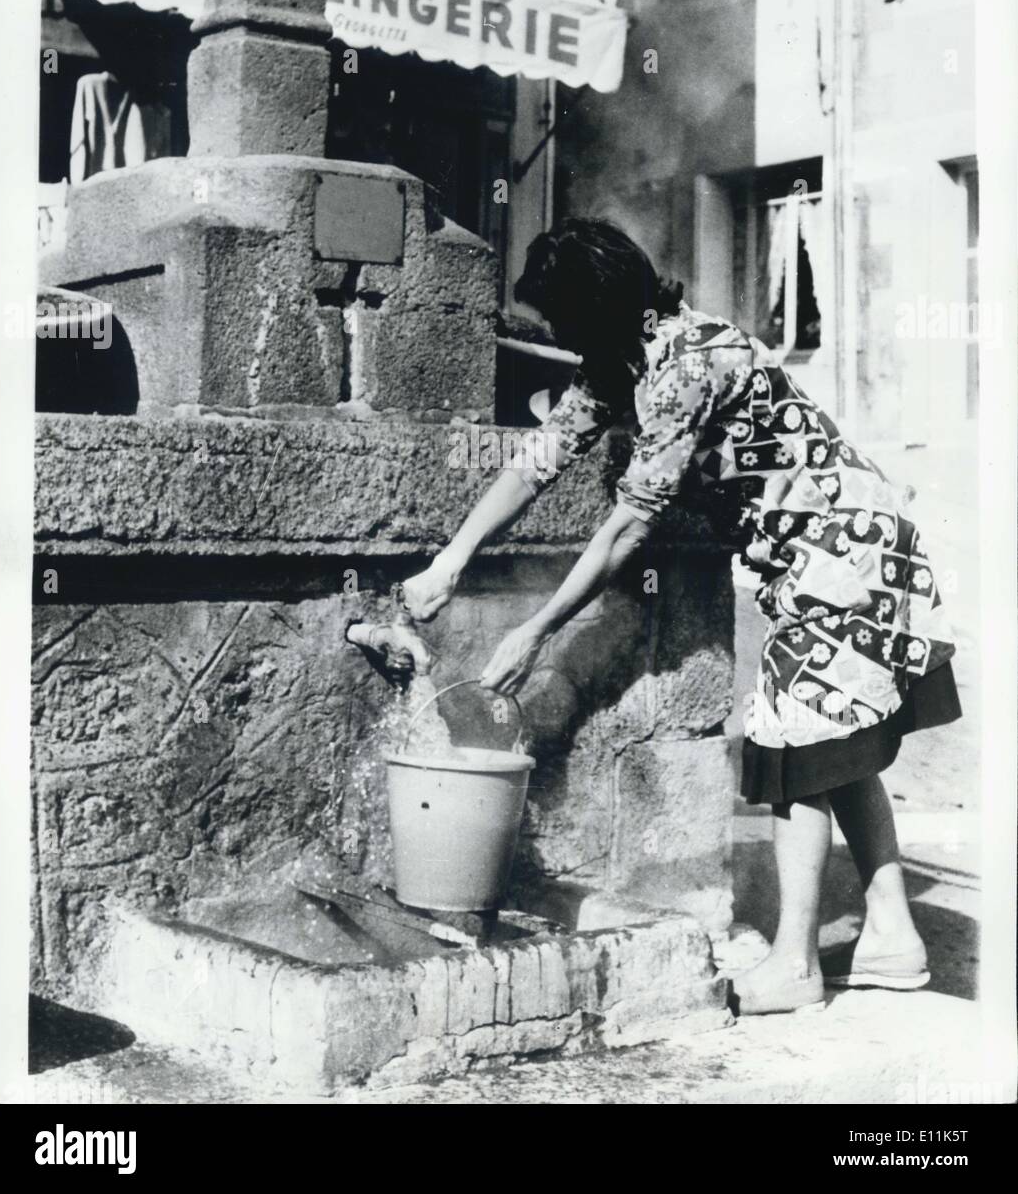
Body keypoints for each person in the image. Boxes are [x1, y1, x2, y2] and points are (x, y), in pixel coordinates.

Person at [402, 218, 960, 1015]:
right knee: (835, 741)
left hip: (839, 551)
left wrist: (536, 630)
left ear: (596, 308)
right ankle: (893, 938)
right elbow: (536, 462)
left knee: (794, 749)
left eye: (563, 319)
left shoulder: (685, 368)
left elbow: (630, 525)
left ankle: (794, 964)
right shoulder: (620, 360)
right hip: (842, 543)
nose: (558, 336)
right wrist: (449, 560)